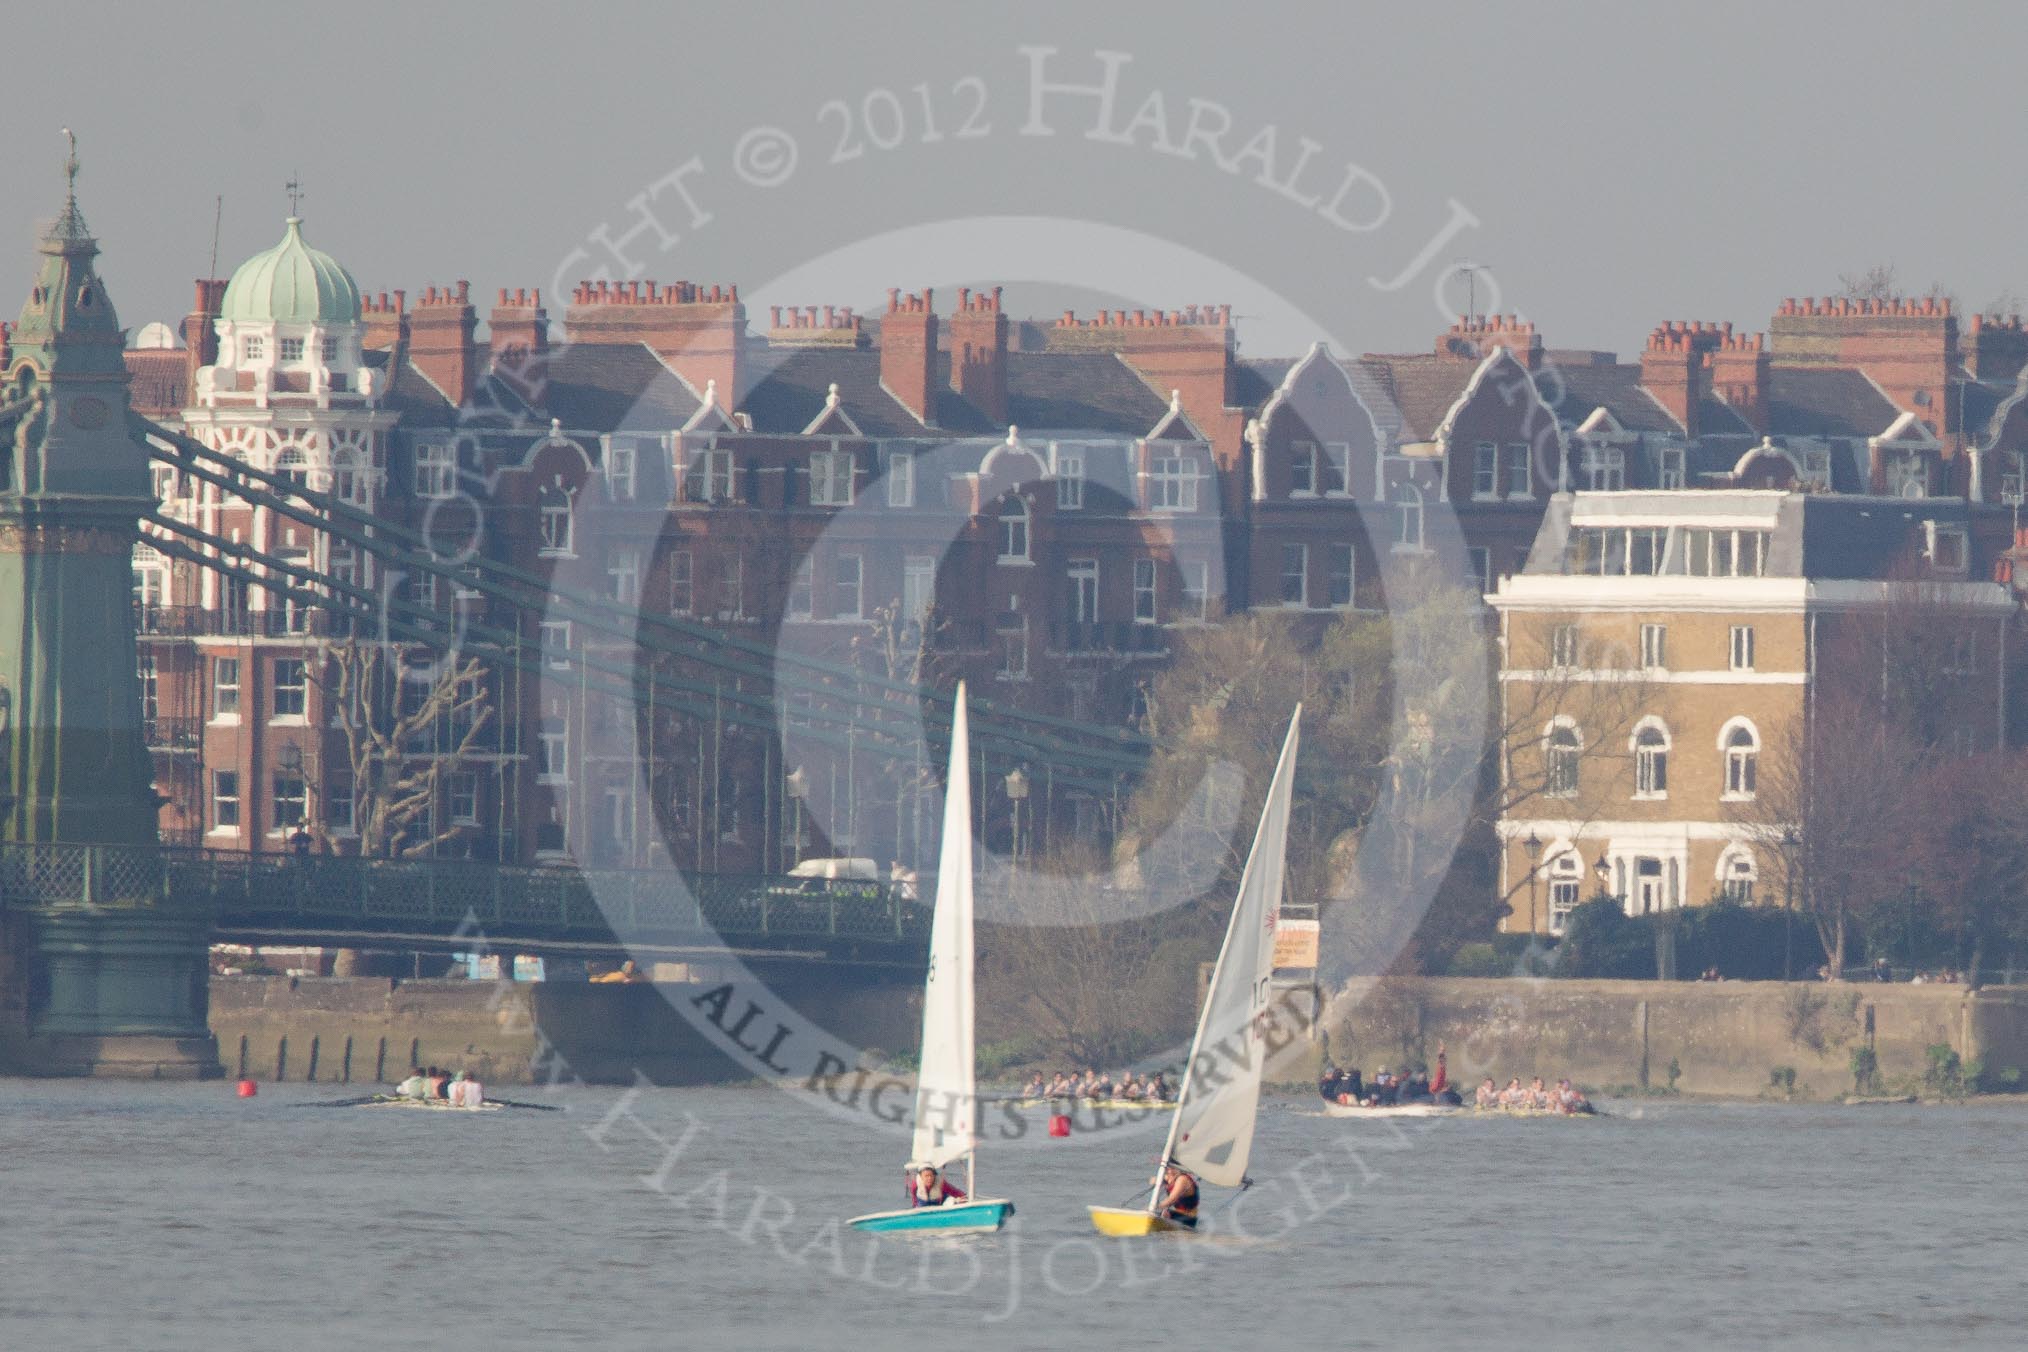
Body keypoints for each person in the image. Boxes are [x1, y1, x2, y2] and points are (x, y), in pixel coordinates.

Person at [1154, 1162, 1199, 1229]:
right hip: (1177, 1215)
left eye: (1173, 1168)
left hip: (1188, 1219)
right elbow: (1153, 1180)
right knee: (1160, 1214)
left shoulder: (1183, 1179)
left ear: (1179, 1168)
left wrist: (1153, 1207)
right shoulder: (1170, 1177)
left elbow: (1171, 1199)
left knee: (1159, 1214)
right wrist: (1158, 1180)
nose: (1170, 1171)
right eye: (1168, 1168)